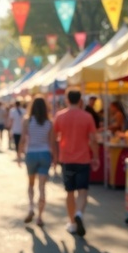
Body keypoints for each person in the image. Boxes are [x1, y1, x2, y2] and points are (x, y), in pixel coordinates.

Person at [54, 90, 99, 237]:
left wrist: (55, 157)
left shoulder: (60, 116)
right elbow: (93, 139)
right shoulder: (87, 116)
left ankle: (72, 222)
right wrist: (96, 157)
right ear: (80, 100)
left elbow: (54, 138)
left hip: (66, 159)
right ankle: (79, 213)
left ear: (67, 100)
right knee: (83, 191)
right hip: (83, 159)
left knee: (69, 192)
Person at [18, 95, 56, 227]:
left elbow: (23, 139)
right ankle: (40, 216)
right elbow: (52, 143)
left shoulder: (27, 121)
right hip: (45, 154)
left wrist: (18, 155)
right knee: (42, 187)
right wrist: (55, 159)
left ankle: (31, 208)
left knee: (31, 184)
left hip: (31, 154)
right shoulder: (49, 123)